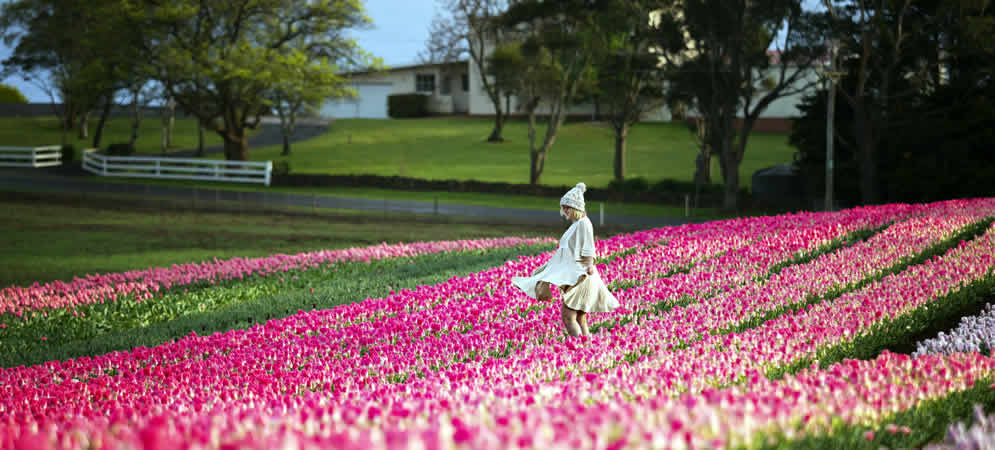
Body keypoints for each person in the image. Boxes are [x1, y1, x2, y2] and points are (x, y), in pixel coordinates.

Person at [511, 182, 620, 337]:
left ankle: (578, 349)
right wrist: (546, 269)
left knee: (568, 317)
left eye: (567, 207)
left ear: (576, 208)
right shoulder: (576, 225)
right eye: (564, 207)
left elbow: (589, 247)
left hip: (582, 276)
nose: (564, 211)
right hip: (576, 275)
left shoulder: (583, 224)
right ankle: (587, 349)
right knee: (580, 319)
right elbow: (565, 252)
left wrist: (589, 264)